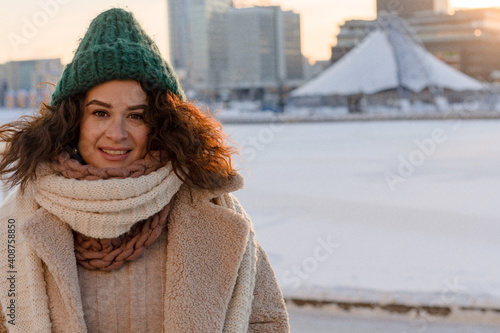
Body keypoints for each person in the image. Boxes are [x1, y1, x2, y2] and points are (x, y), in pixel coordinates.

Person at [0, 8, 289, 333]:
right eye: (100, 113)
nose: (117, 133)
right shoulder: (13, 225)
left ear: (161, 123)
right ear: (72, 119)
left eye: (136, 115)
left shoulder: (219, 218)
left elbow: (265, 323)